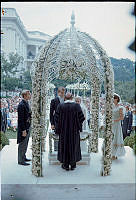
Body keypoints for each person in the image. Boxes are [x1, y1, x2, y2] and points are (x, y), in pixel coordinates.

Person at [55, 92, 85, 171]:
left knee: (64, 146)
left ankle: (65, 164)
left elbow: (56, 118)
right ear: (72, 98)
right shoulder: (76, 106)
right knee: (73, 146)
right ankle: (73, 164)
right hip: (74, 131)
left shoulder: (60, 106)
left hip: (63, 131)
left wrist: (58, 129)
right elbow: (82, 118)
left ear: (65, 98)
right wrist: (77, 126)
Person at [17, 90, 32, 166]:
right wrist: (23, 130)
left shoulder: (26, 103)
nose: (30, 95)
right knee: (22, 143)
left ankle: (24, 156)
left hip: (27, 126)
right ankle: (20, 160)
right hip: (23, 128)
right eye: (29, 94)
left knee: (25, 143)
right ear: (25, 95)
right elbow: (20, 119)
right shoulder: (21, 105)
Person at [50, 86, 65, 151]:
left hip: (65, 122)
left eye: (63, 92)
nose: (62, 94)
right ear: (58, 92)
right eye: (61, 92)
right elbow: (51, 113)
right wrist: (52, 123)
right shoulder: (54, 100)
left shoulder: (66, 100)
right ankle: (56, 150)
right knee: (56, 136)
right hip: (57, 122)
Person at [112, 93, 126, 160]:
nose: (112, 99)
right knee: (112, 137)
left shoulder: (120, 107)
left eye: (113, 98)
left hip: (117, 124)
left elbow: (122, 117)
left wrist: (114, 120)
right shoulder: (112, 107)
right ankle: (112, 153)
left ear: (117, 99)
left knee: (116, 137)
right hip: (112, 124)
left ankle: (115, 154)